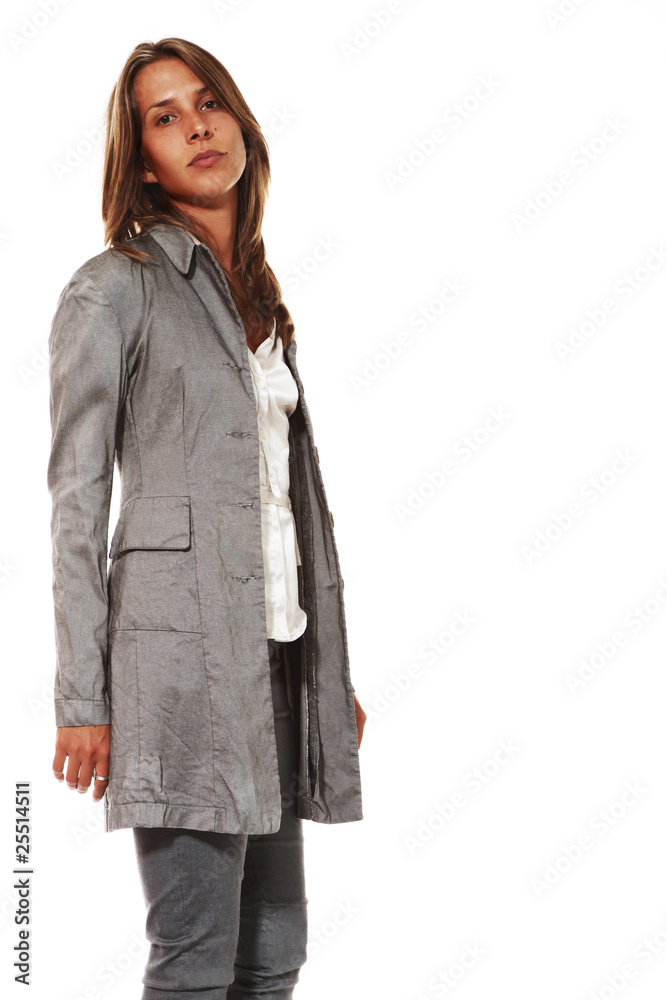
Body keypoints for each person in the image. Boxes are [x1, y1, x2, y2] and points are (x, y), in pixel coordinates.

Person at [47, 36, 366, 1000]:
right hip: (179, 677)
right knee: (194, 957)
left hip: (275, 663)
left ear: (239, 124)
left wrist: (328, 675)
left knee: (272, 956)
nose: (196, 126)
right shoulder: (114, 288)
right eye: (165, 116)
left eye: (208, 102)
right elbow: (77, 503)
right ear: (143, 160)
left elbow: (286, 506)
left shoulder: (260, 300)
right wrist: (83, 700)